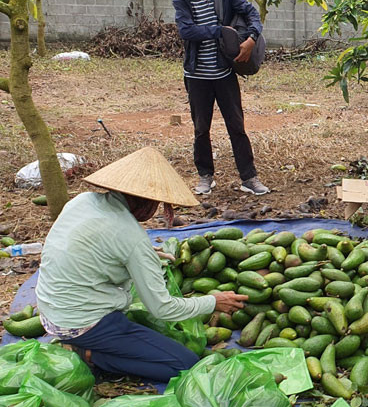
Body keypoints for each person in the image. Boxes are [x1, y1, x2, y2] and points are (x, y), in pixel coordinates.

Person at [35, 147, 248, 381]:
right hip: (82, 324)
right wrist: (214, 301)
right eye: (156, 204)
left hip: (50, 309)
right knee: (184, 364)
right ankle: (88, 354)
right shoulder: (130, 237)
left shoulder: (82, 200)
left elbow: (90, 246)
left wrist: (143, 254)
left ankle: (89, 345)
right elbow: (162, 309)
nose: (156, 210)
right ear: (145, 203)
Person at [173, 0, 269, 196]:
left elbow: (252, 13)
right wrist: (220, 31)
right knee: (201, 128)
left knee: (236, 126)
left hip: (224, 73)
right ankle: (205, 176)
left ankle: (249, 178)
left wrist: (251, 39)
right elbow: (186, 31)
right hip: (197, 76)